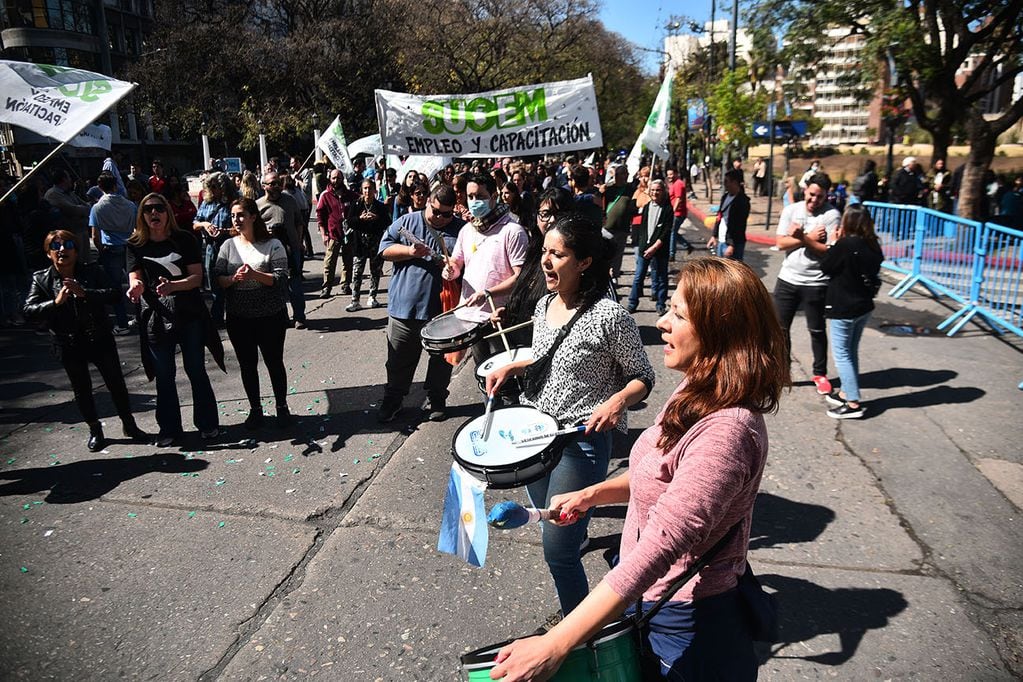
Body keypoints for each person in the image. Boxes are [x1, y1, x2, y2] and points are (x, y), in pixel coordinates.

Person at [488, 257, 788, 682]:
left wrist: (556, 643)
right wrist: (592, 495)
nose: (662, 323)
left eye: (678, 315)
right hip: (650, 603)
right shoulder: (696, 390)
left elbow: (660, 548)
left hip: (689, 622)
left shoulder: (727, 433)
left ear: (720, 332)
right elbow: (657, 473)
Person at [486, 214, 655, 618]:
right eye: (544, 251)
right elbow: (549, 357)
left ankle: (584, 638)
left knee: (558, 551)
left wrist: (615, 403)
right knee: (555, 528)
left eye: (557, 254)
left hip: (580, 442)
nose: (545, 261)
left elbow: (642, 376)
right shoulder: (545, 304)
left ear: (583, 263)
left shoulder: (610, 316)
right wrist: (516, 366)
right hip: (534, 436)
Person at [23, 230, 149, 451]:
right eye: (56, 246)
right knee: (82, 389)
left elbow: (113, 294)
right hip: (68, 343)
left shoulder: (92, 271)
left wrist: (85, 293)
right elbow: (28, 311)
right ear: (48, 253)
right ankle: (95, 430)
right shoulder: (41, 278)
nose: (62, 250)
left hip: (98, 337)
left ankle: (129, 425)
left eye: (68, 245)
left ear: (76, 250)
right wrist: (56, 302)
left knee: (116, 384)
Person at [127, 192, 225, 447]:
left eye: (159, 208)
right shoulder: (135, 244)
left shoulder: (183, 239)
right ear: (142, 216)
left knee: (195, 369)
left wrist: (174, 286)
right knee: (164, 374)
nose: (154, 213)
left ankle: (207, 424)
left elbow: (196, 278)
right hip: (156, 318)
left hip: (188, 313)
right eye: (148, 210)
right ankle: (169, 428)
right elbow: (135, 278)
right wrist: (136, 288)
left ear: (167, 212)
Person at [376, 185, 466, 423]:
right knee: (398, 362)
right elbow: (384, 250)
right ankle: (393, 401)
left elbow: (472, 264)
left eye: (447, 214)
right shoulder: (407, 222)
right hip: (404, 310)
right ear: (427, 202)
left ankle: (437, 399)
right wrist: (409, 251)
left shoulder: (462, 230)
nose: (441, 218)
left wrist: (455, 270)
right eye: (436, 211)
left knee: (441, 362)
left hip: (442, 313)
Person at [215, 198, 292, 429]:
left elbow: (280, 279)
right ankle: (255, 409)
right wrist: (232, 279)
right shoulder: (228, 246)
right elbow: (217, 279)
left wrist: (254, 275)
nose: (236, 220)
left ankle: (282, 407)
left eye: (240, 215)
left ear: (253, 216)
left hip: (270, 316)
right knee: (247, 365)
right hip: (239, 319)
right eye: (233, 216)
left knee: (274, 362)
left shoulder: (273, 244)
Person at [441, 171, 529, 365]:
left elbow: (520, 277)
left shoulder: (513, 231)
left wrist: (487, 293)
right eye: (470, 197)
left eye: (480, 196)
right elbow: (456, 263)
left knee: (505, 380)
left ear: (494, 197)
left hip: (500, 319)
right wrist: (450, 270)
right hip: (470, 317)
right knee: (482, 374)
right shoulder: (467, 230)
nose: (474, 201)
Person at [774, 172, 841, 396]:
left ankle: (820, 373)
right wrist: (809, 237)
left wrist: (803, 237)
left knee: (817, 329)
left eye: (820, 197)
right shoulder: (792, 211)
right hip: (788, 279)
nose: (814, 200)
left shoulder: (832, 215)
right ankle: (783, 372)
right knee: (780, 330)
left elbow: (829, 252)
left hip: (816, 282)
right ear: (805, 191)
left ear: (826, 197)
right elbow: (781, 243)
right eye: (811, 195)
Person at [820, 204, 884, 420]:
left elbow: (826, 266)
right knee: (851, 350)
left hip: (843, 307)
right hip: (863, 306)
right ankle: (847, 391)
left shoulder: (846, 245)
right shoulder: (873, 244)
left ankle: (853, 403)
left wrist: (833, 242)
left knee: (842, 355)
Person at [257, 172, 306, 329]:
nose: (276, 186)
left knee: (295, 286)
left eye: (278, 183)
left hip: (291, 250)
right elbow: (253, 229)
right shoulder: (258, 205)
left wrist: (298, 242)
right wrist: (266, 232)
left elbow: (299, 222)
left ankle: (299, 317)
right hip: (269, 253)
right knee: (276, 287)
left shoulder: (289, 200)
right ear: (264, 186)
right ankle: (282, 317)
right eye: (272, 184)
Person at [89, 172, 137, 334]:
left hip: (111, 248)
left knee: (115, 288)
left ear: (99, 187)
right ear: (116, 185)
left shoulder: (97, 208)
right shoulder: (130, 205)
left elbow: (95, 236)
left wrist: (102, 250)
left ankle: (122, 323)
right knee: (135, 283)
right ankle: (141, 316)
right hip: (130, 246)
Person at [192, 171, 238, 326]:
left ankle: (233, 315)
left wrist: (223, 231)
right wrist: (206, 225)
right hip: (211, 248)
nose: (212, 190)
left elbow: (241, 228)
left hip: (231, 247)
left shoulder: (234, 202)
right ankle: (217, 317)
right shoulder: (207, 202)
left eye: (215, 186)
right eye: (210, 186)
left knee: (232, 282)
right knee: (214, 283)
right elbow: (196, 223)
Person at [626, 179, 672, 316]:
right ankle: (632, 303)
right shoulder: (646, 207)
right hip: (644, 249)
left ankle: (660, 304)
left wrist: (654, 247)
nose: (655, 192)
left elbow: (665, 232)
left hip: (659, 250)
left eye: (658, 190)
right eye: (652, 190)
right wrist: (643, 246)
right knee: (638, 276)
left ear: (663, 192)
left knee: (661, 277)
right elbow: (643, 229)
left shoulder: (668, 209)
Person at [345, 179, 388, 312]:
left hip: (375, 242)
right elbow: (350, 221)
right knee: (357, 272)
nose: (367, 191)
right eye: (364, 188)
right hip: (360, 244)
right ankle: (355, 299)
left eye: (369, 188)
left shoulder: (380, 206)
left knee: (375, 271)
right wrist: (360, 219)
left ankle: (372, 296)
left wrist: (376, 219)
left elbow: (387, 222)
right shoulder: (356, 204)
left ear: (375, 190)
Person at [316, 169, 355, 298]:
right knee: (329, 261)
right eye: (333, 178)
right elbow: (320, 216)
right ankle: (327, 287)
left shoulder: (350, 195)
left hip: (348, 234)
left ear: (342, 179)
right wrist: (323, 234)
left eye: (338, 178)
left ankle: (345, 284)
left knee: (348, 260)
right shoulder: (325, 195)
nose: (335, 180)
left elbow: (360, 203)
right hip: (333, 234)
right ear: (329, 179)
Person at [44, 169, 92, 263]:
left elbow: (87, 206)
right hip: (68, 234)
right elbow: (72, 209)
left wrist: (84, 209)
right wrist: (82, 209)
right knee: (74, 261)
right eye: (68, 177)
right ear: (63, 179)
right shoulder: (53, 194)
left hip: (81, 230)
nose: (71, 180)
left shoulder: (70, 193)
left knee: (85, 260)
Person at [707, 169, 750, 261]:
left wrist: (732, 245)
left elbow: (740, 225)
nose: (725, 185)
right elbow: (719, 217)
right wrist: (714, 235)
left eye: (726, 182)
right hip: (722, 240)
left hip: (733, 244)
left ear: (734, 182)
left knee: (732, 272)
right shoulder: (725, 197)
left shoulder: (742, 201)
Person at [665, 167, 692, 259]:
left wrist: (673, 211)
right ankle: (687, 245)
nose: (670, 176)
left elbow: (678, 198)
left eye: (671, 174)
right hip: (676, 212)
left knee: (672, 232)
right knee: (673, 232)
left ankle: (671, 254)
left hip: (678, 213)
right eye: (668, 174)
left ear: (676, 174)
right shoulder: (673, 184)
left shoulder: (678, 184)